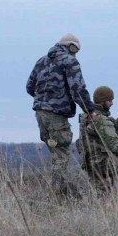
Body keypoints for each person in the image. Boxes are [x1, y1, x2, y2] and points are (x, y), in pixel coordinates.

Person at [26, 33, 96, 196]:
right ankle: (57, 194)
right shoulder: (70, 61)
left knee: (55, 152)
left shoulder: (41, 61)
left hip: (40, 114)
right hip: (56, 115)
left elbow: (30, 87)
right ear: (71, 46)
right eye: (76, 50)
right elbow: (78, 89)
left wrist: (44, 100)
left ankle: (59, 191)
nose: (75, 53)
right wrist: (90, 110)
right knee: (61, 155)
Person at [76, 86, 118, 192]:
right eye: (110, 100)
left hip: (90, 164)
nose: (112, 103)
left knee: (103, 197)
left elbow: (114, 131)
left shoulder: (87, 116)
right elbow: (115, 146)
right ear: (102, 101)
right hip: (102, 163)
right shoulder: (101, 119)